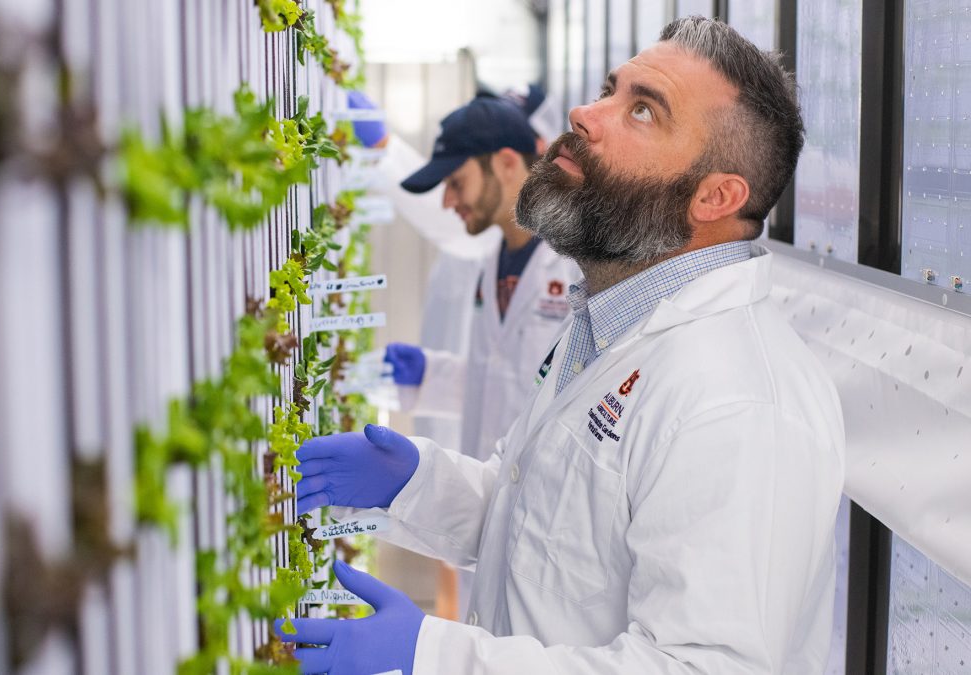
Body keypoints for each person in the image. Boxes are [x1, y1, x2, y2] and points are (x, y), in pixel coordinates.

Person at [280, 16, 845, 674]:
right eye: (610, 89)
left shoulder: (739, 404)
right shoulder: (612, 319)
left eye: (641, 110)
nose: (584, 112)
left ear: (715, 195)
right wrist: (414, 483)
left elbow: (699, 666)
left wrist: (437, 654)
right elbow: (542, 523)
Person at [384, 95, 579, 464]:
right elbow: (504, 378)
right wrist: (430, 374)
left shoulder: (575, 267)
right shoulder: (496, 259)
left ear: (506, 163)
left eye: (456, 182)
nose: (447, 202)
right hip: (490, 481)